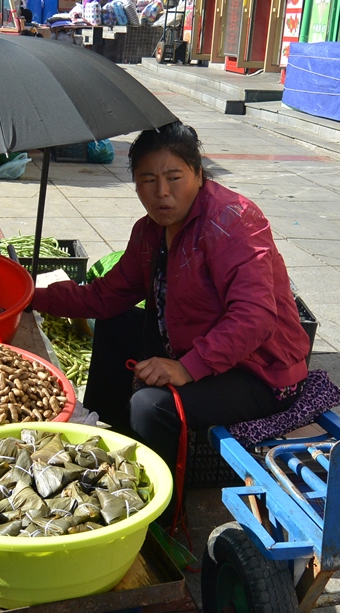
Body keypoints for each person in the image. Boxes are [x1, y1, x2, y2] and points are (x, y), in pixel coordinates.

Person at [30, 122, 311, 519]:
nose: (161, 192)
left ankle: (156, 514)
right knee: (114, 325)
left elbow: (256, 316)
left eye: (174, 177)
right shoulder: (149, 233)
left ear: (197, 173)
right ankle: (102, 449)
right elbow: (104, 296)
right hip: (193, 344)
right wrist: (30, 296)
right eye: (148, 180)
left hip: (261, 371)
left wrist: (187, 367)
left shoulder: (233, 221)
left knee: (151, 407)